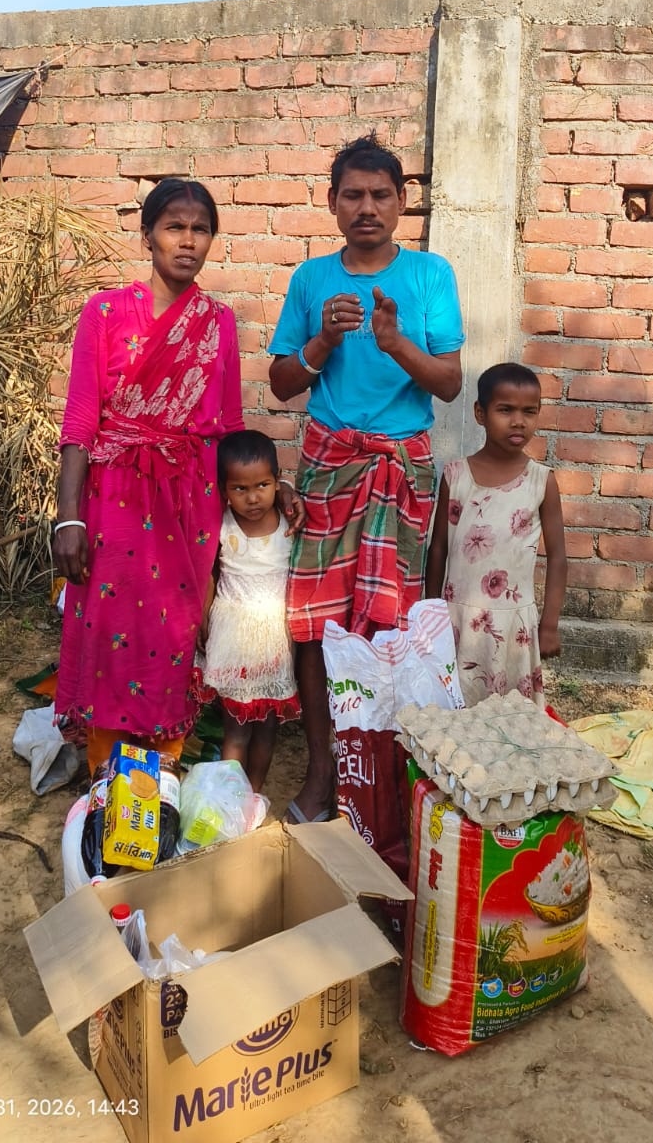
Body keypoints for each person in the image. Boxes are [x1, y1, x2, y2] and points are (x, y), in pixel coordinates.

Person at [51, 178, 300, 773]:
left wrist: (269, 492)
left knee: (175, 631)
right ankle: (107, 776)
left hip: (191, 500)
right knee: (113, 628)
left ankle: (158, 771)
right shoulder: (105, 313)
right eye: (174, 228)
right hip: (115, 495)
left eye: (200, 230)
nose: (188, 241)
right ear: (148, 236)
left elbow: (230, 426)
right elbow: (81, 420)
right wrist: (69, 518)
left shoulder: (218, 322)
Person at [269, 133, 464, 822]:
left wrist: (394, 342)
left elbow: (449, 384)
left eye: (381, 194)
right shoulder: (311, 279)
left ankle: (378, 770)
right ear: (332, 203)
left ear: (403, 202)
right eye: (352, 194)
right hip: (328, 467)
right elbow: (282, 382)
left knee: (390, 622)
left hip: (401, 470)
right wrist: (323, 340)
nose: (367, 207)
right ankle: (324, 771)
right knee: (315, 621)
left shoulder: (430, 275)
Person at [425, 361, 566, 707]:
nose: (518, 421)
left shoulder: (541, 481)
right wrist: (431, 613)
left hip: (514, 622)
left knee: (511, 715)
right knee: (455, 711)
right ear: (480, 413)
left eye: (529, 412)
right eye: (505, 410)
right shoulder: (455, 476)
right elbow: (438, 548)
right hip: (459, 620)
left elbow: (558, 557)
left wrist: (549, 625)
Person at [196, 429, 300, 792]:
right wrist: (203, 616)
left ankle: (252, 795)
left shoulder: (289, 522)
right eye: (240, 488)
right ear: (224, 489)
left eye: (263, 485)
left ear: (277, 481)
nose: (253, 497)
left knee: (267, 730)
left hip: (275, 644)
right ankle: (229, 798)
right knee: (236, 732)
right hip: (233, 640)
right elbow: (211, 574)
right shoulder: (222, 524)